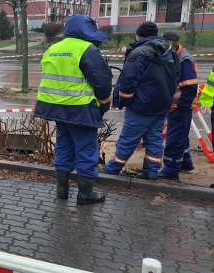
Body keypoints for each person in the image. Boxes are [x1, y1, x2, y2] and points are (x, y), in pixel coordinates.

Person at [34, 14, 112, 205]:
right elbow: (101, 82)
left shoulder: (53, 48)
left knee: (63, 146)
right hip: (80, 109)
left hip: (55, 108)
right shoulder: (87, 49)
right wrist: (104, 103)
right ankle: (85, 194)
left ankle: (62, 191)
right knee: (86, 150)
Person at [103, 22, 180, 180]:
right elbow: (176, 77)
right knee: (155, 140)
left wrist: (124, 101)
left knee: (128, 139)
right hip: (162, 105)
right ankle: (151, 172)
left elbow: (128, 81)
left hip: (141, 107)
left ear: (139, 35)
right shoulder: (170, 52)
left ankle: (112, 169)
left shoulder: (139, 53)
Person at [160, 31, 198, 180]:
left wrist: (181, 106)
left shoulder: (183, 59)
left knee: (174, 138)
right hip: (177, 106)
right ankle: (185, 162)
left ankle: (170, 170)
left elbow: (190, 86)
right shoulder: (177, 55)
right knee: (181, 136)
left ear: (170, 43)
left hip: (180, 106)